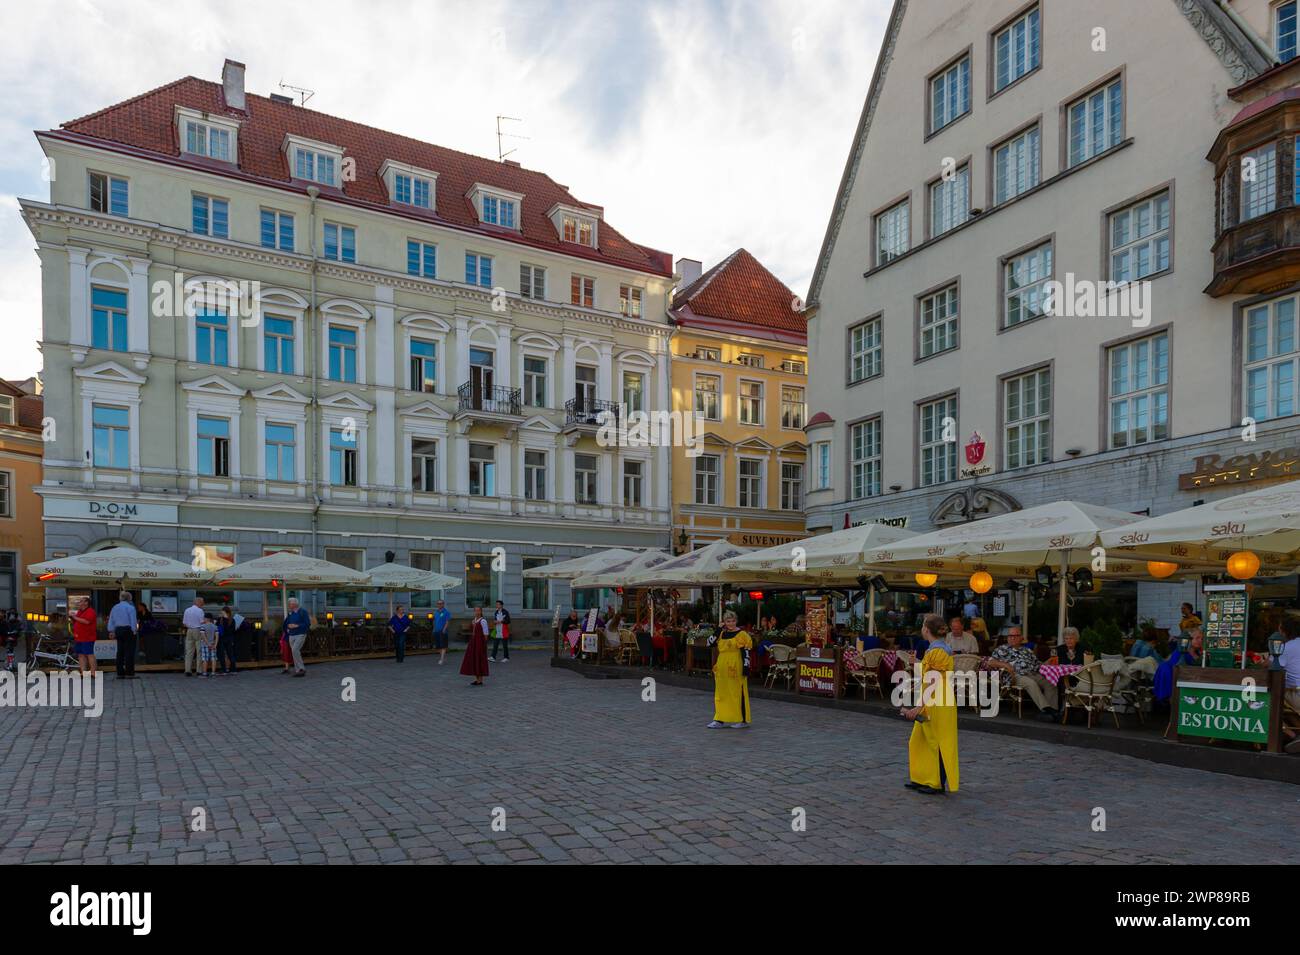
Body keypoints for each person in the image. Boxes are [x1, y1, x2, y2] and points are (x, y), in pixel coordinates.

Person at [902, 614, 959, 795]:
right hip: (934, 699)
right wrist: (917, 664)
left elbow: (934, 680)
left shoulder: (938, 651)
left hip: (938, 702)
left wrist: (919, 707)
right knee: (919, 740)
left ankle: (936, 783)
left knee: (937, 741)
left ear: (926, 629)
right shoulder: (935, 649)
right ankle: (922, 777)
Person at [989, 626, 1059, 720]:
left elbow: (1038, 665)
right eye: (1010, 636)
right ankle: (1046, 710)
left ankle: (1053, 711)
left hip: (1032, 674)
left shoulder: (1027, 650)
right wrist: (1005, 665)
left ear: (1021, 638)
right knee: (1031, 683)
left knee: (1051, 682)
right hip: (1015, 676)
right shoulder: (1001, 649)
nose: (1012, 638)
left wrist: (1048, 662)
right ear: (1007, 637)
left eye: (1016, 636)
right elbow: (990, 662)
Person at [707, 610, 753, 728]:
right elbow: (709, 643)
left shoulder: (742, 635)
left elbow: (746, 652)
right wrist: (718, 630)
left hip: (736, 666)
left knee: (737, 693)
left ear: (736, 621)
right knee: (721, 693)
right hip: (722, 667)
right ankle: (719, 719)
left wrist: (746, 667)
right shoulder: (721, 634)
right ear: (724, 622)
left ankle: (742, 720)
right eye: (728, 621)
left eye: (733, 621)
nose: (731, 623)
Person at [1275, 618, 1300, 754]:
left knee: (1269, 703)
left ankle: (1292, 735)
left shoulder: (1286, 647)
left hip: (1296, 694)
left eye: (1279, 628)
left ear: (1284, 631)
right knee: (1284, 705)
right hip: (1294, 694)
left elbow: (1270, 665)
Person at [108, 590, 139, 679]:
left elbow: (111, 620)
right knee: (129, 651)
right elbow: (133, 620)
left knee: (120, 651)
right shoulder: (131, 608)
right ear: (129, 598)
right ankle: (129, 672)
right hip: (128, 629)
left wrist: (111, 630)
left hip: (118, 630)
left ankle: (120, 672)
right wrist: (134, 630)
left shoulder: (115, 607)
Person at [461, 605, 490, 686]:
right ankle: (477, 679)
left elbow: (486, 633)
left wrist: (483, 643)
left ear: (481, 611)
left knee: (479, 659)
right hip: (474, 642)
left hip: (480, 642)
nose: (477, 612)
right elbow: (473, 631)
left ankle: (480, 680)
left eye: (478, 611)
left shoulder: (483, 621)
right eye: (475, 610)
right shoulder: (474, 620)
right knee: (474, 659)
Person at [283, 597, 312, 677]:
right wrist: (288, 626)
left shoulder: (303, 612)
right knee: (294, 652)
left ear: (295, 604)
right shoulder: (290, 613)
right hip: (291, 635)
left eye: (291, 604)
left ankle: (301, 669)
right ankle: (298, 670)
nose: (289, 605)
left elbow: (307, 624)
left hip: (301, 634)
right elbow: (287, 623)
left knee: (295, 650)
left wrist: (297, 625)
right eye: (289, 604)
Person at [70, 596, 98, 676]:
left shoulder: (90, 611)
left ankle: (93, 672)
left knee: (89, 654)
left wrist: (75, 617)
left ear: (86, 603)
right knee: (81, 654)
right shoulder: (80, 611)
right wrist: (73, 619)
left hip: (87, 637)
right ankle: (83, 672)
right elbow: (78, 621)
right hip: (79, 637)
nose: (79, 602)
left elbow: (87, 621)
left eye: (81, 601)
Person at [181, 595, 206, 677]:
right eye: (202, 602)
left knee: (189, 652)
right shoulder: (200, 611)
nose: (203, 604)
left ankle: (187, 670)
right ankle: (199, 671)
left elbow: (184, 623)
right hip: (198, 630)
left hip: (189, 630)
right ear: (198, 602)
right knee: (199, 651)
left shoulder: (187, 610)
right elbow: (202, 622)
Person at [217, 606, 238, 674]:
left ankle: (224, 670)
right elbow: (234, 630)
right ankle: (233, 669)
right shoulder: (232, 620)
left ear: (224, 612)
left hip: (222, 638)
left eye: (222, 611)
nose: (221, 612)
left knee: (221, 654)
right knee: (230, 654)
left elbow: (217, 628)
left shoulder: (220, 619)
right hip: (230, 638)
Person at [199, 613, 219, 678]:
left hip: (205, 645)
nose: (203, 619)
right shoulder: (215, 626)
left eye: (204, 618)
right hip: (213, 644)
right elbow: (217, 636)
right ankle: (213, 673)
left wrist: (208, 644)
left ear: (207, 619)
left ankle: (205, 673)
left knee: (205, 659)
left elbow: (203, 636)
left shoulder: (203, 626)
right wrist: (215, 644)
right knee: (213, 659)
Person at [433, 599, 451, 665]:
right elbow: (434, 621)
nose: (439, 605)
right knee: (438, 646)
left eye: (441, 603)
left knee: (443, 645)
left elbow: (447, 621)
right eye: (438, 603)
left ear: (443, 604)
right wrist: (434, 629)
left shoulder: (446, 612)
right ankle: (442, 657)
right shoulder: (436, 612)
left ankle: (442, 659)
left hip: (443, 631)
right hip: (436, 630)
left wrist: (444, 629)